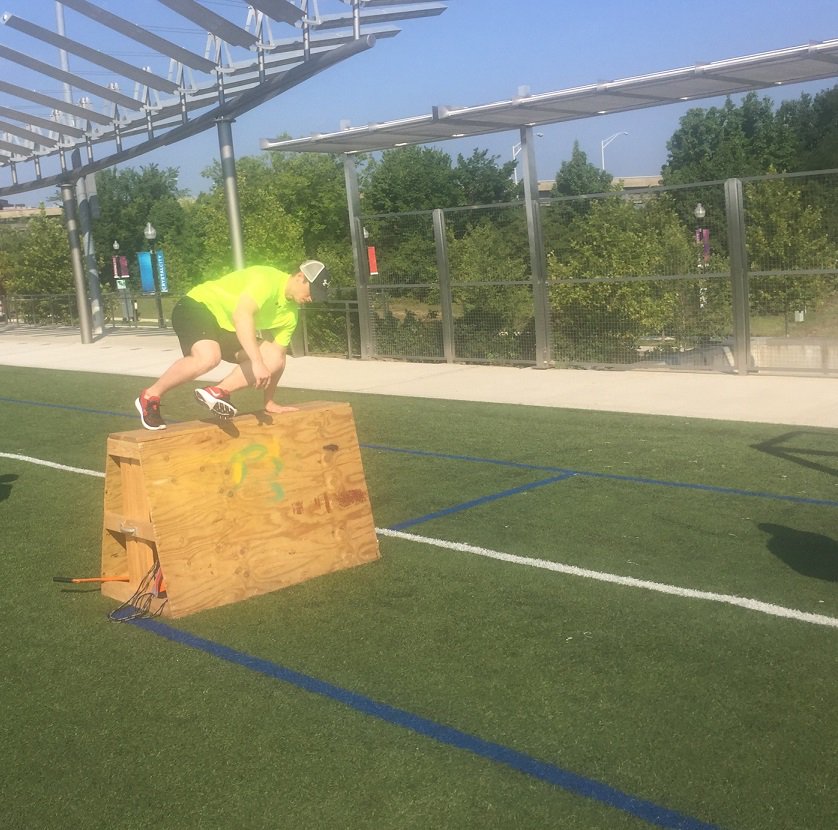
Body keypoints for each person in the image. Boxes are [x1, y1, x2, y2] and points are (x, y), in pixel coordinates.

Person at [135, 260, 330, 430]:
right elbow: (242, 315)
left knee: (273, 356)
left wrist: (269, 401)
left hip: (226, 327)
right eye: (312, 291)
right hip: (198, 305)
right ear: (299, 277)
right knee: (208, 357)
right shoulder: (267, 280)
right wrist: (256, 361)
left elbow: (278, 358)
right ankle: (150, 396)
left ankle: (217, 392)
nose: (311, 298)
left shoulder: (290, 314)